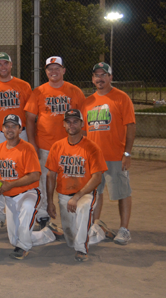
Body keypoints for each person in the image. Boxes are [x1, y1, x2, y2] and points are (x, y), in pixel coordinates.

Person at [45, 109, 115, 262]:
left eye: (75, 121)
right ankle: (98, 231)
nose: (72, 124)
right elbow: (51, 176)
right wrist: (50, 202)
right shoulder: (57, 146)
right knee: (70, 240)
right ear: (64, 124)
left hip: (84, 194)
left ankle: (81, 250)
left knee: (83, 210)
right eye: (68, 121)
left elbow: (97, 178)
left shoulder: (92, 147)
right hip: (64, 196)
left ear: (82, 124)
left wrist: (77, 197)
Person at [24, 56, 86, 229]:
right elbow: (30, 119)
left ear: (64, 70)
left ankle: (72, 216)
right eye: (50, 68)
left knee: (71, 181)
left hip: (70, 147)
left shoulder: (75, 91)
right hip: (45, 146)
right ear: (45, 72)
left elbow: (84, 120)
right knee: (44, 181)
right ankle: (43, 216)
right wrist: (32, 143)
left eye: (57, 68)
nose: (53, 71)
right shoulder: (39, 92)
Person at [0, 114, 63, 260]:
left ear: (20, 129)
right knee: (14, 240)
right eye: (7, 126)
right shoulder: (0, 148)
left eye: (14, 126)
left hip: (28, 193)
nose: (10, 129)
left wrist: (10, 184)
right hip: (10, 198)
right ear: (2, 129)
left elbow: (35, 176)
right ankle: (48, 233)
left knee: (27, 211)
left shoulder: (27, 148)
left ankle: (23, 248)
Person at [84, 62, 136, 245]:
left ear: (110, 77)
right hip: (94, 158)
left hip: (115, 156)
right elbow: (84, 132)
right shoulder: (88, 102)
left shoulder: (121, 98)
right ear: (92, 79)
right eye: (96, 75)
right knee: (95, 194)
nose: (100, 78)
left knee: (122, 192)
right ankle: (95, 227)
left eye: (103, 75)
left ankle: (124, 229)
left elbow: (130, 126)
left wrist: (127, 154)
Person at [0, 52, 33, 228]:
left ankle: (22, 205)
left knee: (22, 170)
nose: (2, 67)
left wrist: (31, 138)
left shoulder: (23, 85)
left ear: (11, 65)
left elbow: (30, 114)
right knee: (0, 172)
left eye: (6, 63)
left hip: (21, 131)